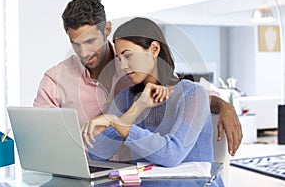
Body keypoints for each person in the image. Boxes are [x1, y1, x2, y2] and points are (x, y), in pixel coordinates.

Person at [33, 0, 242, 156]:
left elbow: (190, 96)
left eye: (90, 42)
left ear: (106, 30)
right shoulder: (126, 93)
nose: (84, 52)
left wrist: (225, 106)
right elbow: (45, 138)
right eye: (75, 44)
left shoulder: (141, 72)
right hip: (101, 174)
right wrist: (134, 109)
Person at [82, 17, 224, 186]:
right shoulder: (127, 98)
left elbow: (172, 155)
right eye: (119, 59)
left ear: (154, 49)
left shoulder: (193, 95)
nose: (123, 66)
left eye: (128, 55)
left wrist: (117, 123)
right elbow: (99, 154)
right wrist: (138, 107)